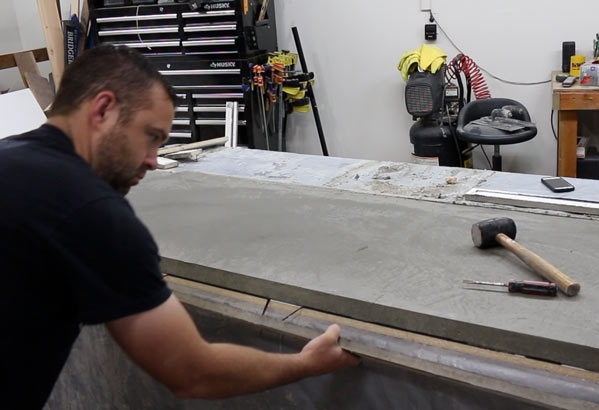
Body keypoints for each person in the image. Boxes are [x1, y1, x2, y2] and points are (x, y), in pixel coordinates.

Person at [0, 44, 359, 409]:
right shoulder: (90, 212)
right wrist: (306, 364)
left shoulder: (10, 157)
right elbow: (193, 373)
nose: (155, 161)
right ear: (103, 109)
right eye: (152, 137)